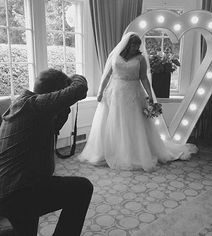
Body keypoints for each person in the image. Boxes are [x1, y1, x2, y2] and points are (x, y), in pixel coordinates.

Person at [78, 32, 198, 172]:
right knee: (113, 121)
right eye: (134, 44)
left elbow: (144, 78)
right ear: (127, 44)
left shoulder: (140, 59)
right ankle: (110, 151)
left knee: (134, 122)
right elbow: (107, 75)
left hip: (134, 92)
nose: (136, 47)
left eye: (137, 45)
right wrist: (100, 91)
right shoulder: (115, 56)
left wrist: (150, 95)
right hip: (115, 92)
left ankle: (134, 153)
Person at [0, 69, 93, 236]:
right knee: (83, 188)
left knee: (27, 229)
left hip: (16, 187)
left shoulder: (24, 104)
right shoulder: (34, 105)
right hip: (20, 189)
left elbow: (53, 129)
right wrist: (74, 78)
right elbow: (79, 89)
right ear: (54, 94)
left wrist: (63, 108)